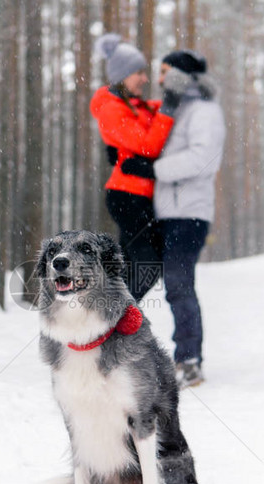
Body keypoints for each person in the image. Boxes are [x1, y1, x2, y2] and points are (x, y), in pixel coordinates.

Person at [120, 50, 226, 387]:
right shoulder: (173, 110)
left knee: (178, 283)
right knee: (136, 279)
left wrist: (154, 169)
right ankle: (114, 353)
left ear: (182, 74)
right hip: (163, 213)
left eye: (166, 72)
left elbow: (202, 158)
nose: (160, 79)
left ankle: (189, 360)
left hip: (189, 213)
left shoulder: (205, 111)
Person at [90, 34, 185, 302]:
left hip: (139, 197)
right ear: (122, 75)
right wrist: (168, 108)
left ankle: (109, 319)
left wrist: (179, 99)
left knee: (130, 267)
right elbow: (148, 146)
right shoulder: (112, 110)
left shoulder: (134, 106)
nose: (145, 79)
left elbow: (158, 114)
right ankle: (118, 319)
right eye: (139, 73)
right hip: (126, 197)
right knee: (148, 263)